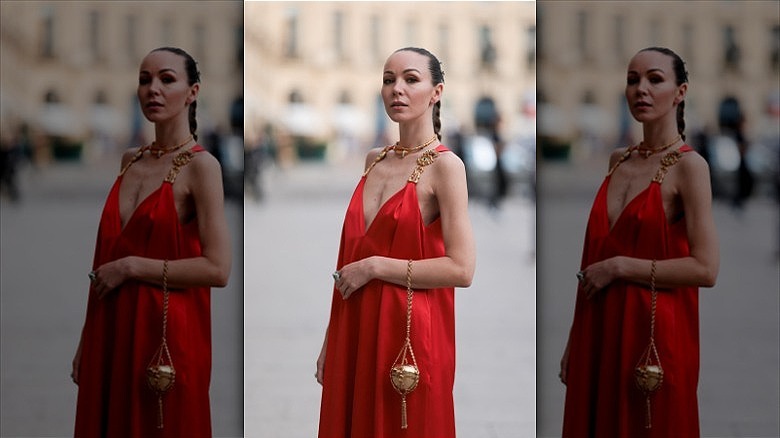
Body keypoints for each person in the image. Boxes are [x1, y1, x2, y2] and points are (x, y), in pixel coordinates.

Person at [560, 47, 719, 437]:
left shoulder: (690, 167)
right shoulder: (618, 160)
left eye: (655, 79)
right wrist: (574, 339)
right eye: (632, 80)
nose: (640, 89)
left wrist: (620, 267)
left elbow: (706, 268)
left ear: (680, 92)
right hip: (599, 327)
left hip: (653, 336)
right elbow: (593, 260)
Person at [72, 47, 231, 437]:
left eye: (166, 79)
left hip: (165, 337)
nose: (152, 89)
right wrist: (86, 338)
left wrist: (132, 267)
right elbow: (104, 260)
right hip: (111, 329)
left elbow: (218, 269)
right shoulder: (129, 160)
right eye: (144, 80)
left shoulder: (202, 167)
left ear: (192, 92)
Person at [316, 47, 476, 437]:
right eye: (388, 80)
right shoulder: (373, 159)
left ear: (436, 92)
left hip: (408, 335)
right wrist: (330, 339)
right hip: (355, 327)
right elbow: (349, 260)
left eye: (410, 79)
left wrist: (375, 267)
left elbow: (462, 269)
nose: (396, 89)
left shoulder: (446, 167)